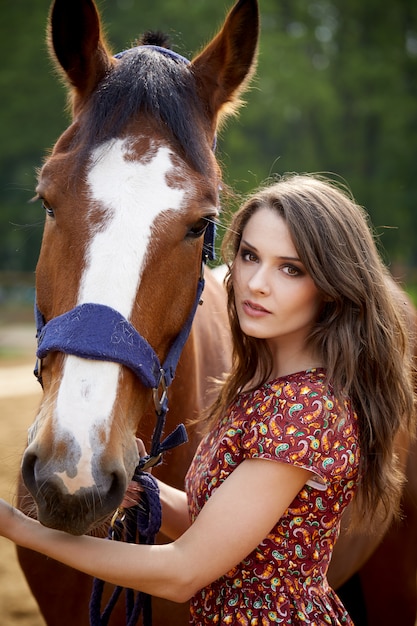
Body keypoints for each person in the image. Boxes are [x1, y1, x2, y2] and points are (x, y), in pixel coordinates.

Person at [0, 173, 414, 624]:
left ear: (333, 285)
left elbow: (184, 571)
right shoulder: (263, 390)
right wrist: (143, 490)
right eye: (250, 256)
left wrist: (21, 529)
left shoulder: (303, 411)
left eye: (290, 269)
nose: (256, 283)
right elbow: (217, 522)